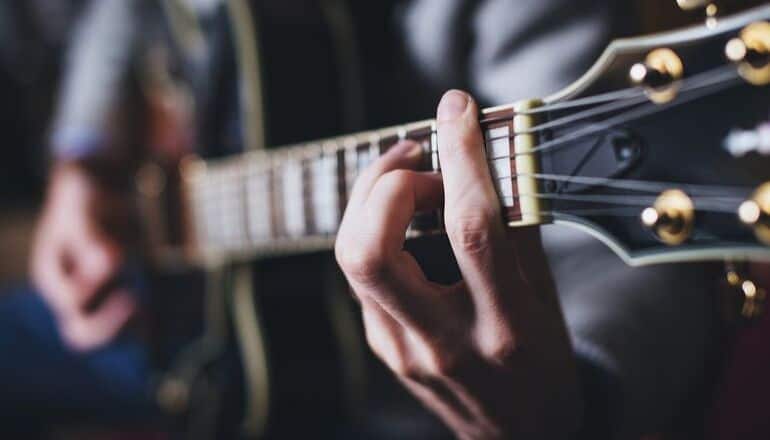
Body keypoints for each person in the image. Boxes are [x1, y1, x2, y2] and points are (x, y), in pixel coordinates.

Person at [3, 0, 718, 437]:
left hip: (386, 397)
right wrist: (83, 160)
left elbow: (637, 237)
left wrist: (575, 400)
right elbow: (116, 14)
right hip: (172, 327)